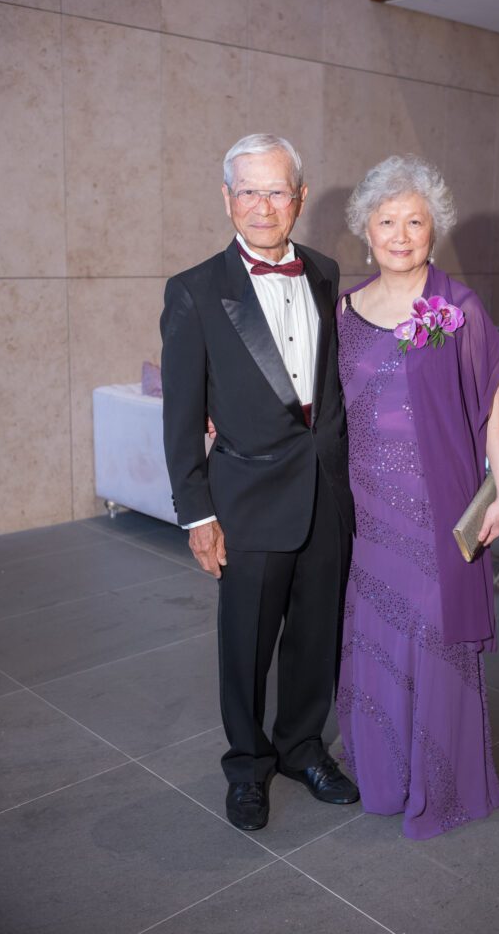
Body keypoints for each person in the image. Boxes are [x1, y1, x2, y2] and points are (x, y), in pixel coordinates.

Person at [160, 134, 357, 832]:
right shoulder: (194, 290)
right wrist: (196, 514)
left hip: (327, 496)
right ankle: (247, 765)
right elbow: (182, 416)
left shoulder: (328, 274)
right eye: (249, 189)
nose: (263, 205)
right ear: (226, 198)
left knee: (316, 636)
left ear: (298, 199)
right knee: (244, 644)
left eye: (277, 190)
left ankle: (302, 747)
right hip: (245, 502)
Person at [335, 154, 499, 840]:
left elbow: (493, 408)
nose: (402, 234)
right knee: (377, 636)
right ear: (366, 230)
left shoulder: (458, 307)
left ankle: (443, 783)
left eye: (415, 220)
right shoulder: (344, 312)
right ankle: (384, 777)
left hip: (441, 508)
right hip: (368, 512)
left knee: (437, 639)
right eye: (388, 221)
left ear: (433, 227)